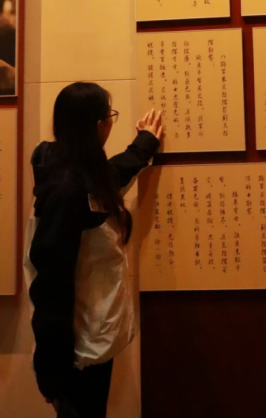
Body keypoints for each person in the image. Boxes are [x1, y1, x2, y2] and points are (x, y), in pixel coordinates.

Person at [24, 82, 164, 418]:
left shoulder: (77, 172)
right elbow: (50, 287)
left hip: (93, 343)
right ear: (99, 125)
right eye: (110, 116)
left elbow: (114, 174)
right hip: (77, 354)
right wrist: (52, 378)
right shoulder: (66, 191)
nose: (112, 122)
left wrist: (145, 142)